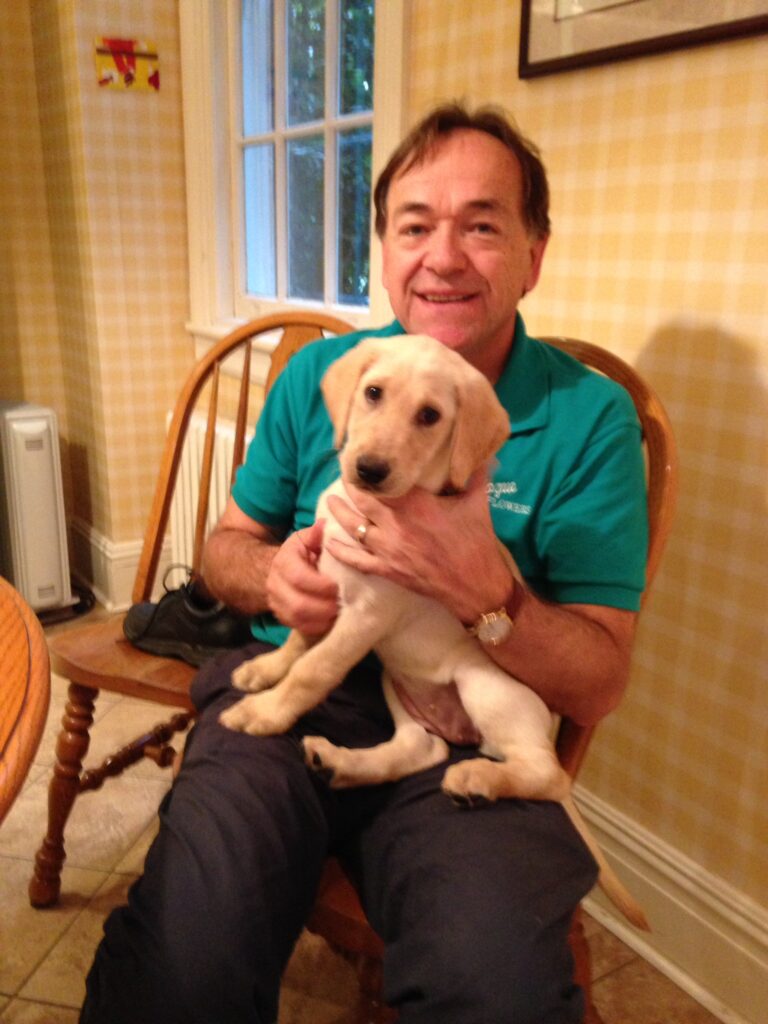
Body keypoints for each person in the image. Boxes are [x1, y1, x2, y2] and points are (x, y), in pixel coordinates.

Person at [81, 103, 647, 1024]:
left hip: (460, 715)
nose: (444, 255)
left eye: (483, 225)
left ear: (535, 254)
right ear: (383, 247)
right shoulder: (327, 374)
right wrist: (271, 579)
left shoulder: (589, 419)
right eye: (415, 225)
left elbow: (598, 686)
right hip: (292, 677)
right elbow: (223, 548)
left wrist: (491, 598)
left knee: (497, 987)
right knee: (186, 957)